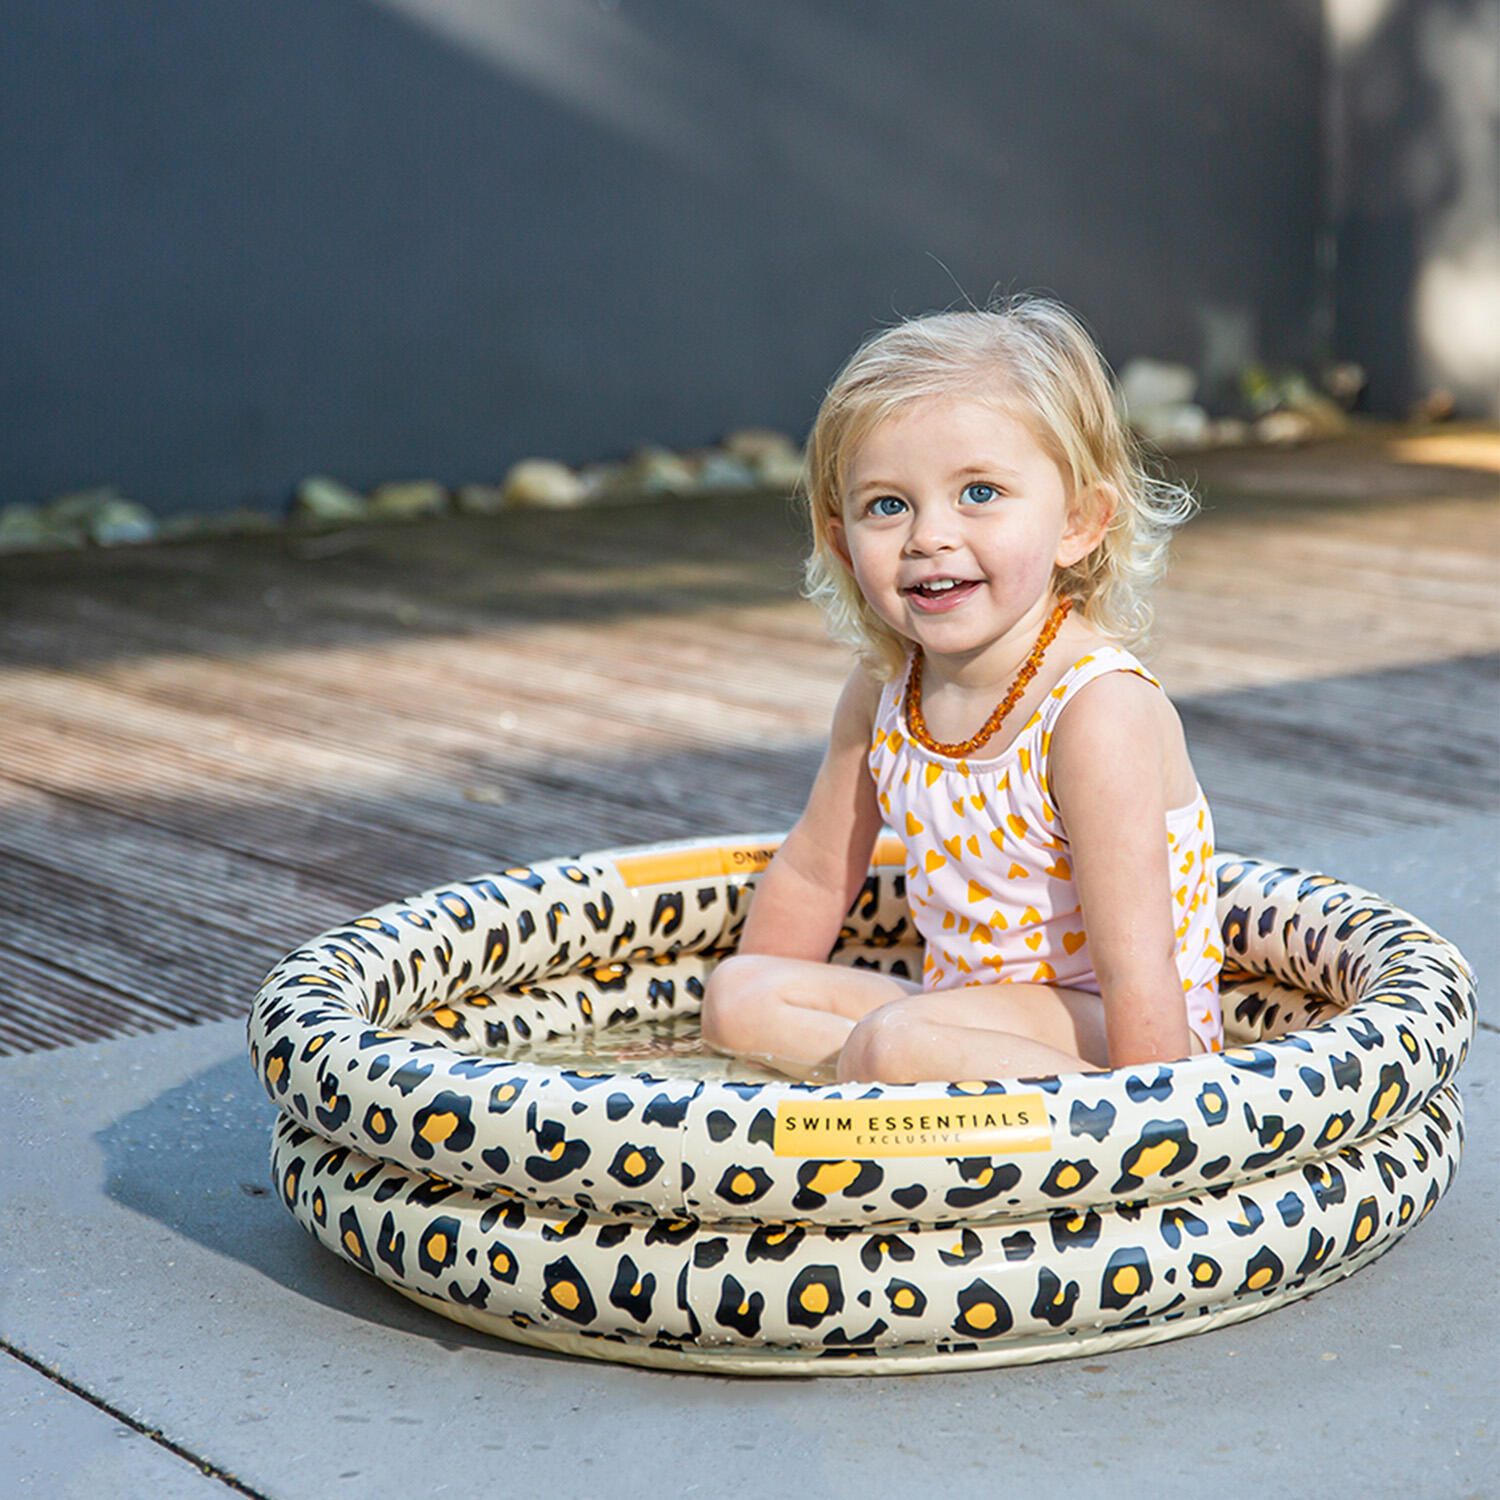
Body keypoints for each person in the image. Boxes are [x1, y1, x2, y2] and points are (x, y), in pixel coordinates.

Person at [700, 297, 1222, 1084]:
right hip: (960, 1015)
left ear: (1079, 522)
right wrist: (741, 1073)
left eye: (979, 492)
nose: (929, 535)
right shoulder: (884, 686)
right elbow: (813, 870)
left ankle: (903, 1085)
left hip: (1109, 1032)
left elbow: (1136, 964)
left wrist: (1160, 1125)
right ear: (843, 545)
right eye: (888, 505)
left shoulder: (1092, 709)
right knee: (737, 995)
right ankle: (887, 1088)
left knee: (893, 1044)